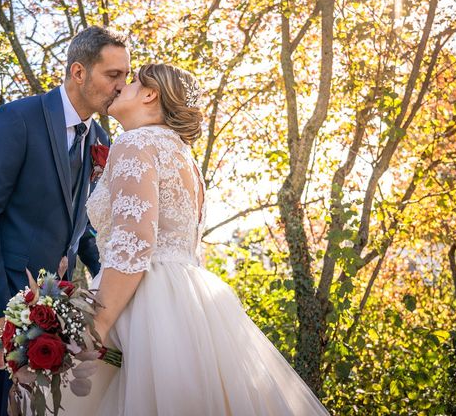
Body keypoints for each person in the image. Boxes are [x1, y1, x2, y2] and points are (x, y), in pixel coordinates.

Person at [60, 63, 330, 415]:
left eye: (131, 82)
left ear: (149, 94)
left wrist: (97, 326)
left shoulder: (134, 143)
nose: (119, 87)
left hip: (142, 302)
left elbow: (134, 242)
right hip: (189, 299)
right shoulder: (184, 157)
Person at [0, 26, 131, 416]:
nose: (122, 86)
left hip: (51, 311)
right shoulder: (15, 119)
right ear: (78, 72)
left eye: (126, 76)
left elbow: (86, 227)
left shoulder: (101, 138)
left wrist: (114, 279)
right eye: (113, 75)